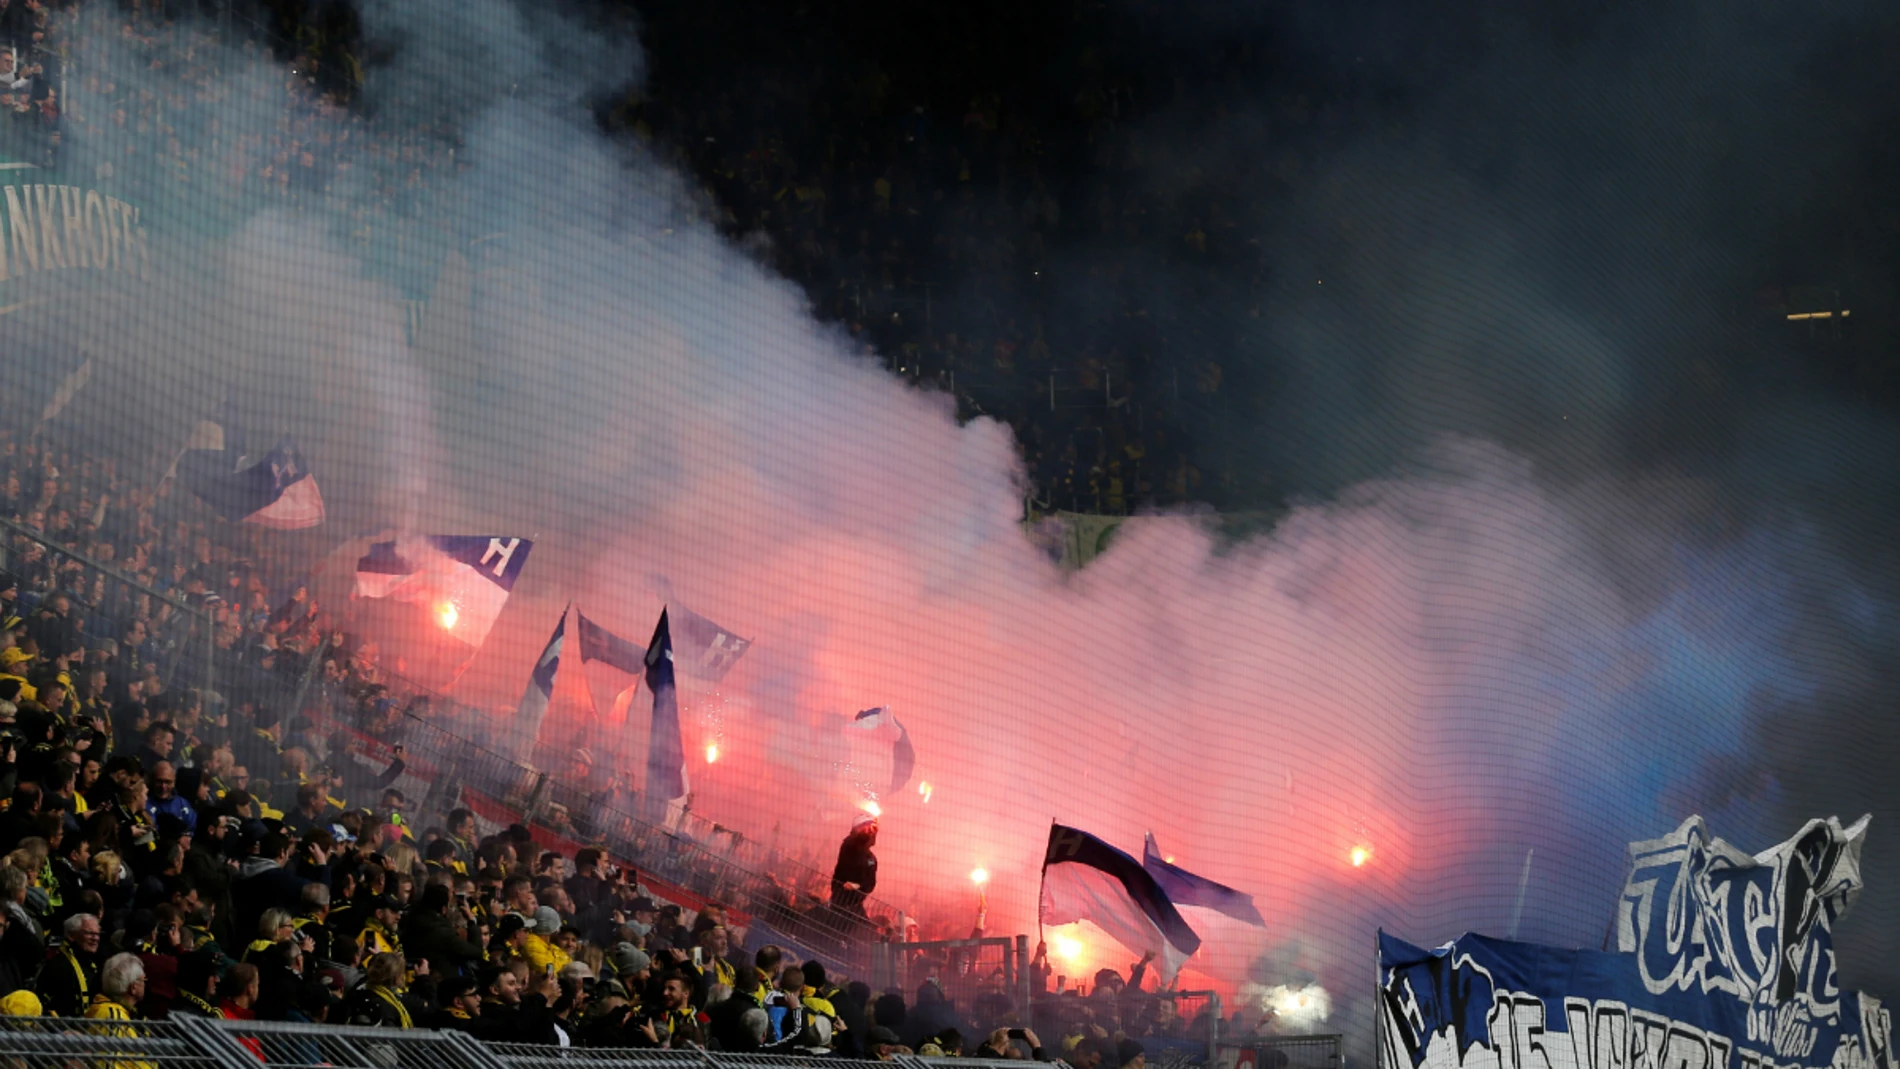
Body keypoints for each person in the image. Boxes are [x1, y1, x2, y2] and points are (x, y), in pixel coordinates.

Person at [37, 910, 105, 1018]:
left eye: (97, 934)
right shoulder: (56, 964)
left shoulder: (96, 962)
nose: (95, 938)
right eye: (90, 933)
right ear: (71, 935)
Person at [830, 812, 878, 919]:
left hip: (855, 905)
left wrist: (859, 887)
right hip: (841, 901)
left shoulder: (871, 858)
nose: (870, 830)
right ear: (857, 828)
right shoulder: (848, 845)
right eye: (866, 827)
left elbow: (871, 883)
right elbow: (858, 843)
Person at [84, 952, 146, 1023]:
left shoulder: (105, 1009)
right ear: (133, 988)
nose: (145, 984)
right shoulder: (115, 1017)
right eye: (143, 980)